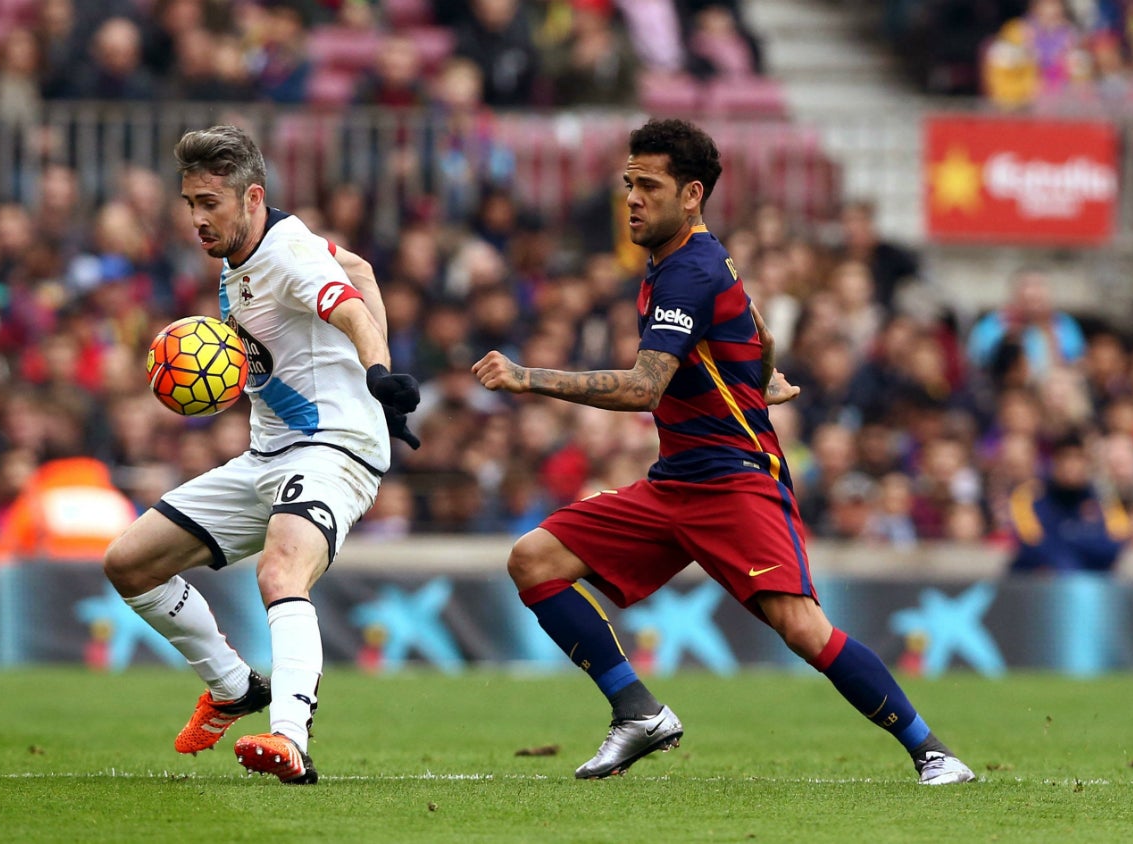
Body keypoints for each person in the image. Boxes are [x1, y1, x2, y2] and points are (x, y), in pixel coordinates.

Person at [472, 118, 975, 785]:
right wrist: (762, 373)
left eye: (649, 185)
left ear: (692, 195)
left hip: (736, 482)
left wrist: (527, 377)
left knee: (803, 630)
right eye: (628, 183)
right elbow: (756, 321)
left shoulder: (689, 272)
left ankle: (932, 751)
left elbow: (646, 386)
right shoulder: (691, 263)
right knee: (535, 560)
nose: (632, 198)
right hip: (676, 481)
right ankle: (637, 712)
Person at [102, 125, 421, 785]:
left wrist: (380, 371)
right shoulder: (249, 252)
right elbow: (357, 269)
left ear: (252, 198)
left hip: (334, 450)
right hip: (268, 455)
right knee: (129, 564)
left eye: (209, 203)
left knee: (281, 573)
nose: (197, 218)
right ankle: (231, 688)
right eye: (190, 202)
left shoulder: (289, 254)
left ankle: (291, 738)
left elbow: (348, 303)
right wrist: (379, 384)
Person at [1008, 430, 1130, 574]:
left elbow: (1114, 546)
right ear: (1053, 462)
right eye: (1064, 458)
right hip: (1042, 585)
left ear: (1087, 463)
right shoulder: (1029, 496)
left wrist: (1064, 535)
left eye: (1078, 458)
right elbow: (1031, 547)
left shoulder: (1104, 498)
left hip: (1093, 584)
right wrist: (1082, 537)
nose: (1070, 466)